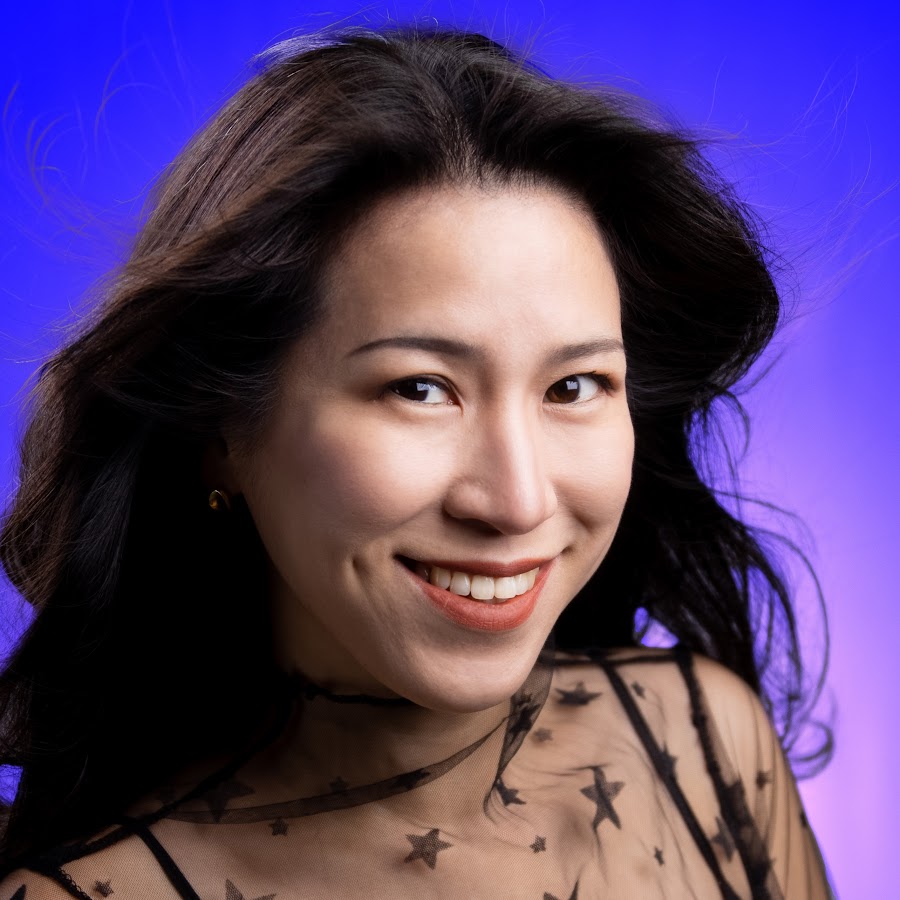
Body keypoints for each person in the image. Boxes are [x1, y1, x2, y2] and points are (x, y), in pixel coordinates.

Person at [0, 21, 835, 899]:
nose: (517, 501)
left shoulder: (705, 744)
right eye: (421, 389)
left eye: (574, 385)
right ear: (221, 433)